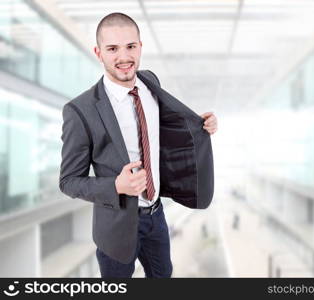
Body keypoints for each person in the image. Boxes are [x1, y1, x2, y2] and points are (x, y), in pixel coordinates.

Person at [59, 12, 217, 278]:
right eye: (112, 49)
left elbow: (164, 128)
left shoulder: (150, 81)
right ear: (99, 53)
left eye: (130, 46)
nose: (124, 57)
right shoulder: (80, 110)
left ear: (141, 47)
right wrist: (115, 186)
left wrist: (199, 125)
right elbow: (68, 181)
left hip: (156, 216)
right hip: (116, 226)